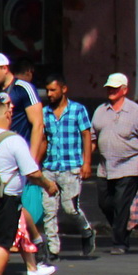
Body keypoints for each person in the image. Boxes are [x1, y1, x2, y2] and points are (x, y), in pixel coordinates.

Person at [0, 92, 59, 275]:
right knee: (2, 242)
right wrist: (48, 185)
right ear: (6, 113)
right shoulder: (14, 141)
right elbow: (32, 172)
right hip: (6, 198)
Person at [91, 73, 138, 254]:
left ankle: (119, 243)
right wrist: (86, 160)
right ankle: (122, 228)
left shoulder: (136, 111)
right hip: (105, 168)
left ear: (124, 90)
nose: (111, 91)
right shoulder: (100, 111)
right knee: (105, 203)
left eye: (115, 88)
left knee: (121, 204)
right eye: (109, 88)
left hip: (129, 165)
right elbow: (92, 138)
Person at [40, 74, 97, 257]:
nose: (49, 94)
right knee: (49, 211)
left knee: (70, 208)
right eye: (47, 90)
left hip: (71, 167)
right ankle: (53, 249)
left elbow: (86, 135)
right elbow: (43, 139)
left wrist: (87, 162)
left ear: (64, 89)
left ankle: (86, 230)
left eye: (53, 90)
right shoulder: (44, 112)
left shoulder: (77, 110)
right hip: (49, 167)